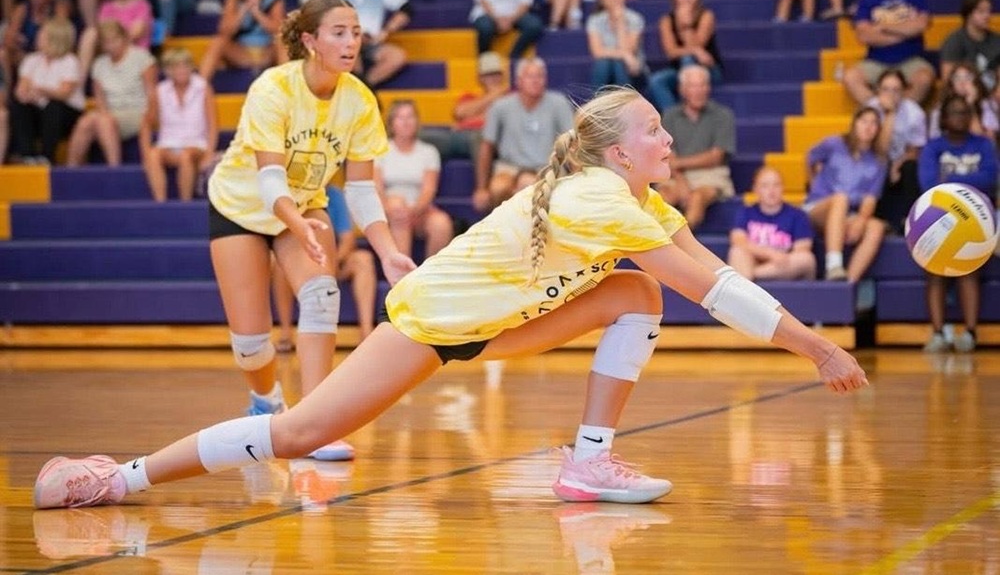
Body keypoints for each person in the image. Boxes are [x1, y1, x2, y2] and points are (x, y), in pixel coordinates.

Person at [32, 85, 868, 512]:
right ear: (616, 152)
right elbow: (717, 292)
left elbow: (707, 271)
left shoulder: (643, 204)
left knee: (638, 290)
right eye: (653, 128)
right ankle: (118, 480)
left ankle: (586, 463)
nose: (668, 138)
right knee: (301, 433)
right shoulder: (598, 199)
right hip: (432, 323)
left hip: (505, 326)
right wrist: (818, 347)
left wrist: (809, 339)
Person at [186, 0, 414, 463]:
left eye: (355, 31)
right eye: (339, 32)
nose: (351, 41)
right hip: (241, 208)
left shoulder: (360, 99)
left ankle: (313, 424)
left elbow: (362, 188)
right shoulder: (273, 88)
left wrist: (387, 250)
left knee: (322, 294)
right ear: (309, 41)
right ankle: (266, 402)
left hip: (305, 206)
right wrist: (297, 223)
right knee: (251, 345)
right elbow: (270, 178)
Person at [919, 93, 999, 354]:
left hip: (978, 216)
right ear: (943, 118)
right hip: (940, 217)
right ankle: (938, 333)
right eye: (954, 112)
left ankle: (971, 333)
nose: (960, 117)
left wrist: (949, 179)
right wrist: (967, 181)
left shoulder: (984, 144)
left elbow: (989, 178)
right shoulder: (933, 147)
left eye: (965, 113)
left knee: (969, 265)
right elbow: (928, 182)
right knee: (934, 266)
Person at [273, 185, 379, 352]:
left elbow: (347, 238)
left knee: (364, 260)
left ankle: (366, 333)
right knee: (280, 266)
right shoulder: (286, 197)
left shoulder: (334, 195)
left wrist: (330, 261)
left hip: (331, 260)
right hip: (299, 261)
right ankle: (286, 333)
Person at [473, 57, 574, 211]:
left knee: (530, 184)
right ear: (518, 81)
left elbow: (573, 143)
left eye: (539, 76)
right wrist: (481, 188)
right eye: (530, 76)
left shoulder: (559, 103)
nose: (535, 81)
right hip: (509, 167)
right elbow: (487, 145)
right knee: (498, 188)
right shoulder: (500, 107)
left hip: (547, 167)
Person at [842, 0, 935, 106]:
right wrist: (906, 30)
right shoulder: (868, 0)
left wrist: (883, 27)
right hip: (876, 61)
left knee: (925, 78)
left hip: (911, 60)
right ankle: (879, 110)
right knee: (850, 77)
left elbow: (920, 26)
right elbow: (864, 35)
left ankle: (900, 115)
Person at [805, 107, 887, 283]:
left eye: (874, 123)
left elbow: (870, 198)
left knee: (876, 227)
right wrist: (814, 182)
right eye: (864, 121)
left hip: (847, 214)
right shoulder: (834, 143)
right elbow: (811, 157)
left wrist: (860, 221)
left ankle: (848, 283)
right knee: (840, 198)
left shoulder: (878, 161)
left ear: (879, 129)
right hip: (818, 208)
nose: (868, 126)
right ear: (854, 123)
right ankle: (833, 265)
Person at [655, 64, 735, 230]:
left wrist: (678, 163)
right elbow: (667, 155)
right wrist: (681, 179)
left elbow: (716, 157)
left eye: (703, 85)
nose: (699, 90)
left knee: (697, 198)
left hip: (710, 174)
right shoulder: (669, 116)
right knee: (663, 197)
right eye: (693, 86)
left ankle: (683, 246)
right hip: (675, 174)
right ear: (683, 90)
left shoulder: (723, 115)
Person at [66, 20, 157, 167]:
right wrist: (104, 114)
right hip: (110, 113)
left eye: (115, 40)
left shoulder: (142, 58)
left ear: (124, 38)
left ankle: (114, 168)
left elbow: (152, 92)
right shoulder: (99, 64)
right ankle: (71, 169)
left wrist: (151, 117)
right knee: (86, 122)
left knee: (103, 121)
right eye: (106, 42)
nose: (111, 45)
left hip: (137, 112)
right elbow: (99, 100)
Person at [375, 99, 454, 260]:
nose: (406, 122)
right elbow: (377, 187)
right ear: (391, 123)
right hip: (388, 208)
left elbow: (428, 189)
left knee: (442, 223)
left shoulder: (428, 152)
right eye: (400, 118)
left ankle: (430, 279)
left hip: (419, 209)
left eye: (410, 117)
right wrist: (390, 209)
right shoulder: (380, 149)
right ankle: (403, 276)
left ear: (417, 121)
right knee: (397, 207)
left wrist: (414, 211)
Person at [140, 48, 218, 202]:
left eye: (185, 65)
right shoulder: (160, 90)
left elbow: (213, 124)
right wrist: (145, 154)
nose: (182, 70)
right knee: (153, 154)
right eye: (177, 67)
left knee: (186, 155)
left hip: (196, 145)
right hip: (168, 144)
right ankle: (160, 203)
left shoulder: (203, 87)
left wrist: (209, 153)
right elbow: (146, 123)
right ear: (168, 70)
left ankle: (185, 203)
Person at [9, 17, 84, 165]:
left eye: (41, 34)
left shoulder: (70, 61)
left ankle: (47, 156)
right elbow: (21, 89)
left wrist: (40, 90)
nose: (37, 37)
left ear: (54, 38)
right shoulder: (31, 60)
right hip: (38, 111)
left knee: (53, 106)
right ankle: (27, 155)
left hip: (66, 115)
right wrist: (25, 94)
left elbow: (64, 93)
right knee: (19, 105)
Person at [199, 0, 287, 81]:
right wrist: (243, 10)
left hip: (267, 52)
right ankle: (199, 86)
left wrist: (257, 13)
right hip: (242, 53)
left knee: (282, 41)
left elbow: (278, 29)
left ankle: (287, 85)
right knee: (218, 41)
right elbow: (224, 30)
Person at [648, 0, 722, 112]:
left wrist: (686, 26)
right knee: (656, 81)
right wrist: (695, 51)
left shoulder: (706, 16)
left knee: (688, 59)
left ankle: (688, 114)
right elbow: (671, 52)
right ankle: (674, 119)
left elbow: (699, 44)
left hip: (708, 69)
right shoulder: (666, 20)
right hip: (679, 70)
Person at [728, 167, 816, 281]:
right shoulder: (745, 212)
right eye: (765, 186)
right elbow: (738, 241)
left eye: (776, 185)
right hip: (752, 260)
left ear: (783, 188)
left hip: (782, 267)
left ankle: (750, 276)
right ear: (755, 189)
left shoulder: (798, 215)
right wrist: (770, 254)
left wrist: (762, 267)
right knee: (737, 252)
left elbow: (802, 248)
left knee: (806, 259)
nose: (771, 190)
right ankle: (747, 276)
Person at [865, 69, 926, 233]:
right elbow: (878, 150)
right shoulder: (871, 109)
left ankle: (909, 220)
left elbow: (915, 150)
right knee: (876, 165)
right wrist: (890, 114)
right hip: (876, 160)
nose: (890, 94)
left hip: (902, 161)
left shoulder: (914, 113)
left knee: (911, 167)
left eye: (896, 90)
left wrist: (897, 165)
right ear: (878, 90)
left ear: (904, 91)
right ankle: (877, 220)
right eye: (885, 89)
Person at [423, 51, 508, 161]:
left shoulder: (510, 99)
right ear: (480, 78)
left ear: (502, 76)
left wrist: (472, 115)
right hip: (462, 137)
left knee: (480, 138)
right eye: (488, 74)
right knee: (421, 136)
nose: (493, 78)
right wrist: (493, 95)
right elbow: (459, 113)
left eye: (496, 74)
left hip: (490, 140)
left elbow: (499, 122)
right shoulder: (469, 97)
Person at [78, 0, 153, 75]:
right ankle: (80, 81)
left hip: (132, 48)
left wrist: (114, 37)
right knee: (90, 33)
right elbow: (102, 31)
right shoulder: (106, 6)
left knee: (113, 40)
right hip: (109, 47)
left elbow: (135, 33)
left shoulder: (142, 5)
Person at [0, 0, 68, 93]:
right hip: (23, 55)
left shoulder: (58, 9)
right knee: (2, 54)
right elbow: (8, 40)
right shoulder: (22, 9)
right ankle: (7, 91)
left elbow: (62, 35)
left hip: (50, 53)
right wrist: (16, 44)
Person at [587, 0, 646, 89]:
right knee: (603, 63)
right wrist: (624, 55)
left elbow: (630, 50)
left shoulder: (635, 18)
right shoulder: (595, 20)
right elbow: (597, 52)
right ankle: (598, 103)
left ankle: (624, 103)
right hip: (608, 66)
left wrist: (620, 23)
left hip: (633, 70)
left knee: (619, 64)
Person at [939, 0, 1000, 89]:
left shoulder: (997, 40)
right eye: (981, 11)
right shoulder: (955, 41)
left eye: (989, 11)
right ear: (968, 14)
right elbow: (947, 78)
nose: (987, 16)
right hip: (964, 94)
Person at [930, 62, 998, 138]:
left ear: (975, 82)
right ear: (951, 84)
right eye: (957, 78)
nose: (962, 82)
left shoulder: (987, 105)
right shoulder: (940, 108)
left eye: (968, 77)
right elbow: (934, 140)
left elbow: (986, 141)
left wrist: (970, 104)